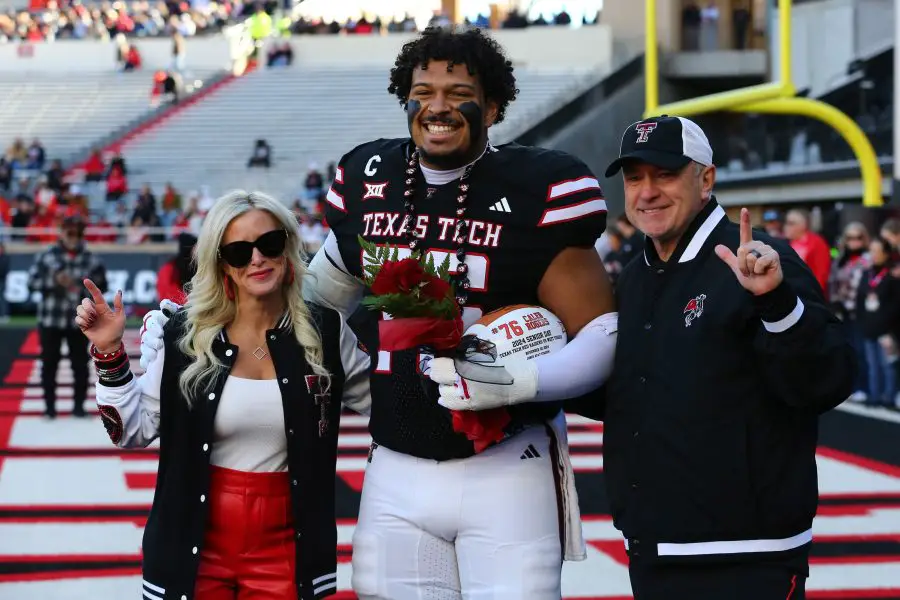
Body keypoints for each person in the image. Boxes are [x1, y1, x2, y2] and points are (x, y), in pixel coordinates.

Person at [139, 26, 618, 599]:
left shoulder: (541, 184)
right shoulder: (373, 181)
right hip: (396, 461)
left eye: (458, 91)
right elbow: (305, 303)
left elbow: (602, 331)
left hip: (507, 459)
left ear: (492, 104)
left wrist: (524, 381)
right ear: (406, 98)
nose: (438, 106)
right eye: (425, 90)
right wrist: (201, 323)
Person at [585, 115, 855, 599]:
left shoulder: (757, 259)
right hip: (656, 546)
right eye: (634, 178)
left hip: (748, 554)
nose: (647, 192)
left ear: (705, 178)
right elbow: (632, 394)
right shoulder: (637, 272)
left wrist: (776, 303)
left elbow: (826, 380)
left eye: (664, 174)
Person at [78, 191, 371, 599]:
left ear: (287, 247)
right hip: (191, 546)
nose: (257, 259)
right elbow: (133, 430)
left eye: (269, 244)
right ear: (221, 265)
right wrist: (110, 352)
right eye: (238, 251)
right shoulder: (182, 335)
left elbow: (388, 413)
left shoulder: (327, 332)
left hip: (291, 549)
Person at [27, 216, 107, 418]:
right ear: (61, 233)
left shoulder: (92, 259)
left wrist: (83, 285)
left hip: (79, 320)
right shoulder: (45, 256)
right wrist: (53, 281)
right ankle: (49, 408)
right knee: (49, 364)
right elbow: (30, 283)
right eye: (70, 232)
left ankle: (79, 407)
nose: (74, 237)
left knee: (80, 364)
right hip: (50, 319)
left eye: (78, 233)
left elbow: (102, 288)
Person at [854, 236, 900, 409]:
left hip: (887, 329)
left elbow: (895, 305)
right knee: (872, 364)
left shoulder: (892, 276)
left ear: (886, 253)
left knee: (887, 364)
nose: (872, 255)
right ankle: (874, 394)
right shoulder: (867, 273)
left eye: (876, 251)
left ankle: (889, 396)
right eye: (870, 251)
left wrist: (888, 328)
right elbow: (859, 299)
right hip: (869, 326)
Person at [156, 232, 198, 304]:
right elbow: (166, 293)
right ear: (188, 248)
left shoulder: (199, 266)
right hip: (176, 308)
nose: (197, 251)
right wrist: (189, 302)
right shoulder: (170, 268)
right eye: (195, 247)